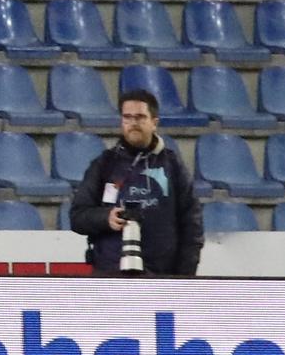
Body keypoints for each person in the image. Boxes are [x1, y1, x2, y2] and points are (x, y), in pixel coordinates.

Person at [71, 88, 200, 277]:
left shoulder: (173, 165)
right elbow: (77, 217)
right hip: (110, 275)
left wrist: (184, 277)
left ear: (154, 122)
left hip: (161, 276)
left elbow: (192, 225)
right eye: (127, 117)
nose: (133, 123)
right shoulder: (104, 164)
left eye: (140, 117)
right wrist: (106, 218)